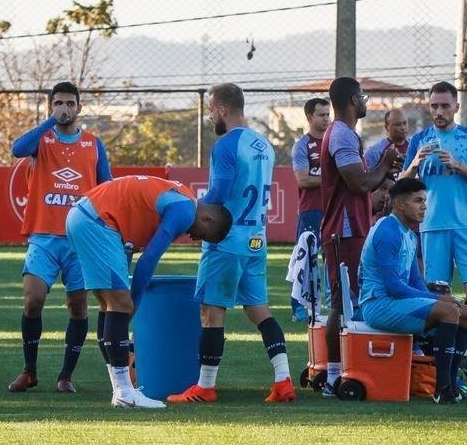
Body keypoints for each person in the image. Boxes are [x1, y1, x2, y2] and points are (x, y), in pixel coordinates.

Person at [169, 84, 296, 404]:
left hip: (226, 239)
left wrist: (192, 213)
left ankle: (205, 387)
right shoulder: (264, 144)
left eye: (211, 110)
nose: (210, 116)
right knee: (259, 310)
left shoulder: (226, 144)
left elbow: (219, 194)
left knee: (211, 312)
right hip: (256, 238)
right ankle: (283, 381)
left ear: (222, 110)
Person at [65, 175, 232, 409]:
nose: (194, 238)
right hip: (97, 220)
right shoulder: (185, 212)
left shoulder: (182, 196)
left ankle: (121, 389)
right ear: (208, 218)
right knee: (121, 305)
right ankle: (125, 392)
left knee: (108, 305)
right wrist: (134, 303)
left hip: (84, 215)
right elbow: (149, 259)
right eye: (203, 235)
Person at [7, 82, 112, 394]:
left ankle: (66, 376)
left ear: (79, 107)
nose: (64, 108)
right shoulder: (41, 139)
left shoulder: (93, 144)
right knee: (33, 300)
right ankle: (29, 371)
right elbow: (16, 149)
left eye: (69, 103)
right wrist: (50, 122)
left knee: (78, 307)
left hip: (80, 241)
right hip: (43, 237)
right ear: (51, 107)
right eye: (58, 103)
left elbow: (107, 189)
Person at [400, 82, 467, 383]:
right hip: (432, 226)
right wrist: (414, 164)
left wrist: (459, 166)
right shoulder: (419, 141)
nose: (439, 111)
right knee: (439, 298)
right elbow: (401, 184)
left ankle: (464, 350)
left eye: (444, 106)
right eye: (434, 106)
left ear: (456, 107)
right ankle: (442, 369)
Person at [359, 178, 467, 404]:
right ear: (399, 204)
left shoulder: (409, 235)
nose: (424, 206)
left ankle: (452, 385)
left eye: (425, 200)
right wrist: (439, 299)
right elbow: (393, 287)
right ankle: (442, 389)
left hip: (395, 301)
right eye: (418, 201)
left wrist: (440, 299)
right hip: (378, 305)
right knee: (449, 311)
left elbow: (415, 281)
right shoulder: (388, 231)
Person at [319, 77, 401, 396]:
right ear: (354, 100)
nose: (365, 102)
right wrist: (384, 164)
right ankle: (333, 376)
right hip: (345, 230)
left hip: (351, 227)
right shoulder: (341, 133)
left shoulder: (344, 133)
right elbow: (359, 183)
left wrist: (375, 197)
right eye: (363, 97)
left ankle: (343, 370)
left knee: (349, 300)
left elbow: (360, 187)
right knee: (343, 303)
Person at [289, 97, 331, 322]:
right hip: (310, 210)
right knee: (305, 258)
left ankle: (333, 304)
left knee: (333, 258)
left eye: (328, 114)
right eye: (321, 115)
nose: (326, 119)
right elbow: (303, 180)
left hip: (333, 209)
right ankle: (298, 307)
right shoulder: (302, 145)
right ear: (309, 117)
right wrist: (333, 180)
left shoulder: (334, 143)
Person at [365, 108, 411, 217]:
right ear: (387, 127)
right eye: (398, 124)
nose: (403, 127)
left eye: (405, 123)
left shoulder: (415, 148)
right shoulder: (374, 152)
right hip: (384, 207)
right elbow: (367, 182)